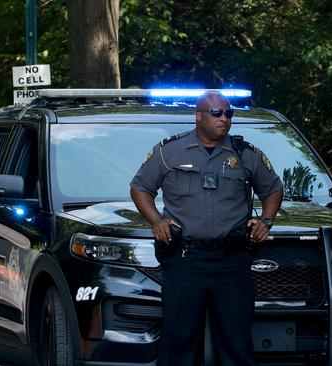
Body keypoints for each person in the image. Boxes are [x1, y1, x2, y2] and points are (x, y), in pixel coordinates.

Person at [130, 90, 283, 365]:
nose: (224, 119)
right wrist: (157, 221)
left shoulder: (244, 154)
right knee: (179, 342)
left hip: (232, 260)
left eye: (228, 113)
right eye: (217, 113)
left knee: (236, 343)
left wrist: (266, 221)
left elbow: (273, 189)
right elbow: (140, 188)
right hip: (186, 260)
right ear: (199, 116)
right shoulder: (169, 151)